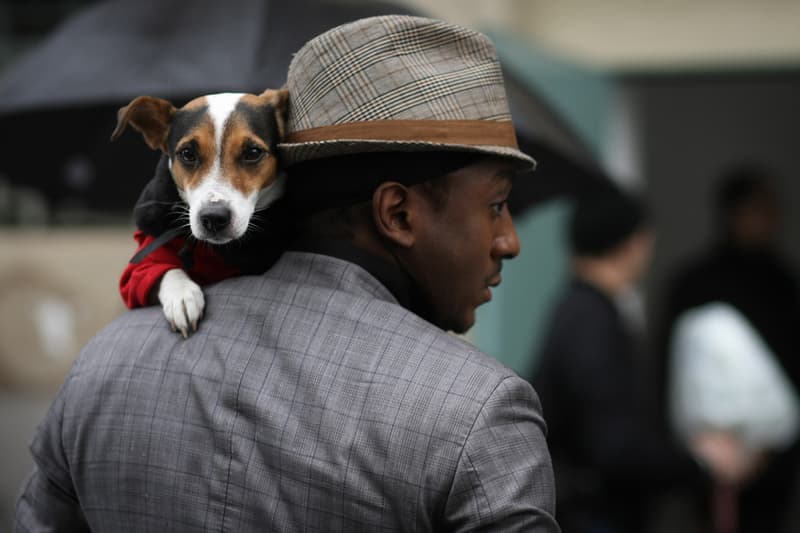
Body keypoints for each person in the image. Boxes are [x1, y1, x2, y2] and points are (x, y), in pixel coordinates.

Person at [15, 15, 559, 532]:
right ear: (397, 213)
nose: (508, 241)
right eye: (496, 205)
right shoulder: (480, 414)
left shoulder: (98, 366)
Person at [531, 184, 700, 533]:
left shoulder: (578, 309)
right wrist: (697, 463)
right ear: (635, 243)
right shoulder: (593, 321)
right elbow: (616, 448)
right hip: (593, 516)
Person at [659, 165, 800, 533]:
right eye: (759, 210)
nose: (769, 222)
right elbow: (671, 371)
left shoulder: (783, 284)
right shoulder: (697, 283)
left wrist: (771, 445)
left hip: (775, 462)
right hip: (707, 459)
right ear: (732, 214)